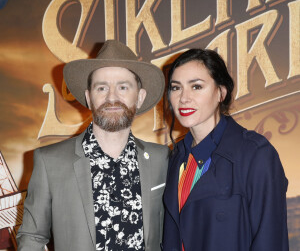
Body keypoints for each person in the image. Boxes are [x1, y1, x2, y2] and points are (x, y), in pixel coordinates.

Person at [17, 40, 168, 251]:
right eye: (101, 88)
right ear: (89, 98)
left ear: (140, 97)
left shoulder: (163, 158)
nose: (112, 97)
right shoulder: (49, 161)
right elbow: (32, 237)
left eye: (123, 87)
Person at [162, 49, 289, 251]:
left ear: (221, 92)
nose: (184, 98)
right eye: (176, 88)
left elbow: (270, 240)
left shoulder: (256, 154)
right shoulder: (176, 156)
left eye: (196, 86)